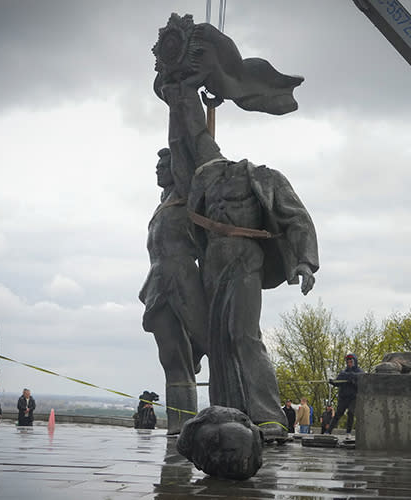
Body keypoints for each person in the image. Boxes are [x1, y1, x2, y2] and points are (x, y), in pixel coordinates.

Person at [157, 75, 318, 442]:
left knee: (244, 335)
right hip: (213, 260)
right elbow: (188, 134)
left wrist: (305, 262)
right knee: (219, 341)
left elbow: (297, 217)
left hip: (245, 257)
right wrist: (178, 94)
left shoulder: (262, 177)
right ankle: (228, 411)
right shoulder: (205, 176)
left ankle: (268, 416)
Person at [139, 147, 209, 435]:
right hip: (158, 278)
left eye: (164, 164)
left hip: (182, 277)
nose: (157, 169)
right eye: (157, 164)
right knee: (171, 356)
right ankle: (181, 424)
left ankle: (233, 412)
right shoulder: (165, 202)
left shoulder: (187, 193)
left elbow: (186, 142)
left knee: (212, 343)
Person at [328, 354, 364, 438]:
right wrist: (333, 382)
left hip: (353, 398)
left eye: (351, 362)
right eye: (348, 362)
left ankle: (348, 432)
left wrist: (354, 381)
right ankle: (328, 431)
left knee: (351, 413)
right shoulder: (343, 373)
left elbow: (363, 383)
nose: (349, 364)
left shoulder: (359, 372)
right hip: (343, 397)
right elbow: (338, 382)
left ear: (355, 362)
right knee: (338, 414)